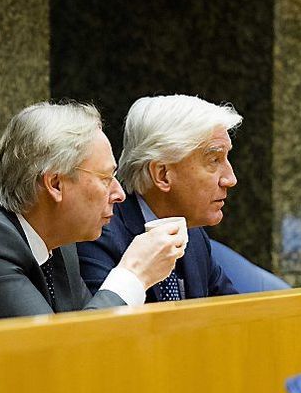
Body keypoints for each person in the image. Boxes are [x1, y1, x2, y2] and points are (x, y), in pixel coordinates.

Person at [0, 101, 184, 325]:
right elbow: (55, 353)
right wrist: (132, 275)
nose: (119, 194)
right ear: (54, 183)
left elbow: (75, 330)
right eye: (106, 178)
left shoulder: (56, 234)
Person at [78, 95, 240, 302]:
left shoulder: (192, 233)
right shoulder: (97, 234)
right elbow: (103, 329)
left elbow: (232, 318)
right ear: (162, 174)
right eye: (214, 160)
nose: (230, 179)